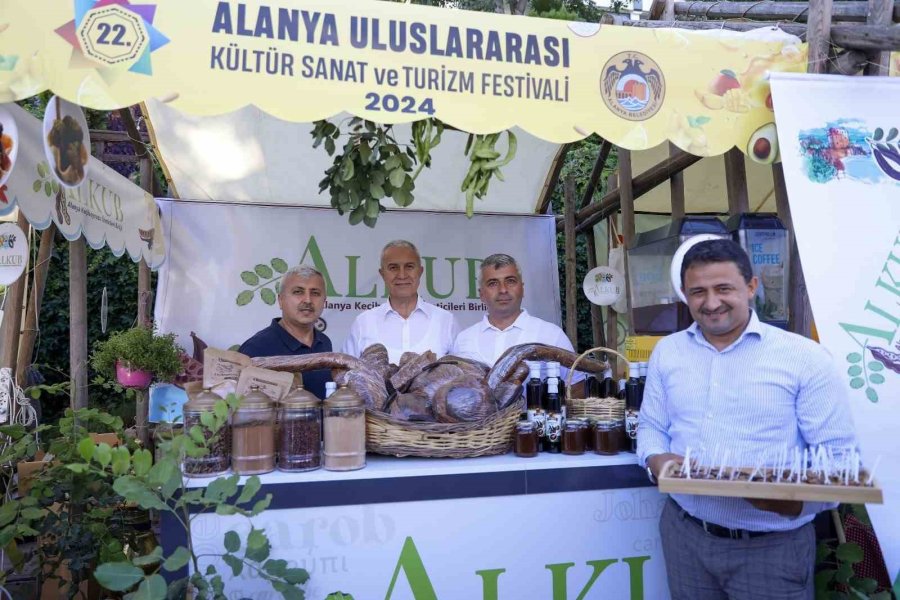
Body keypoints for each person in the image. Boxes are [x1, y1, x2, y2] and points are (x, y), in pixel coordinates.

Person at [637, 239, 857, 600]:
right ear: (685, 295)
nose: (711, 303)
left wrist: (785, 497)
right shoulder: (668, 352)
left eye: (724, 288)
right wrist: (655, 460)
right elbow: (652, 426)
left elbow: (838, 463)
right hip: (685, 534)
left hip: (771, 547)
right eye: (698, 292)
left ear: (751, 286)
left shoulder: (805, 359)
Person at [451, 253, 584, 388]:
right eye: (493, 283)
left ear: (522, 288)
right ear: (481, 294)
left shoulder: (551, 335)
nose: (503, 290)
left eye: (510, 281)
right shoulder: (463, 340)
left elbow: (577, 385)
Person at [342, 240, 458, 364]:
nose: (402, 275)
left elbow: (464, 376)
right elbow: (346, 376)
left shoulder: (446, 321)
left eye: (409, 267)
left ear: (420, 272)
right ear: (382, 274)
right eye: (393, 268)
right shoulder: (363, 323)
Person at [239, 265, 332, 399]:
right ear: (280, 300)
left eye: (315, 293)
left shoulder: (324, 342)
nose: (307, 300)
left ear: (324, 301)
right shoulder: (256, 348)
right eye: (298, 292)